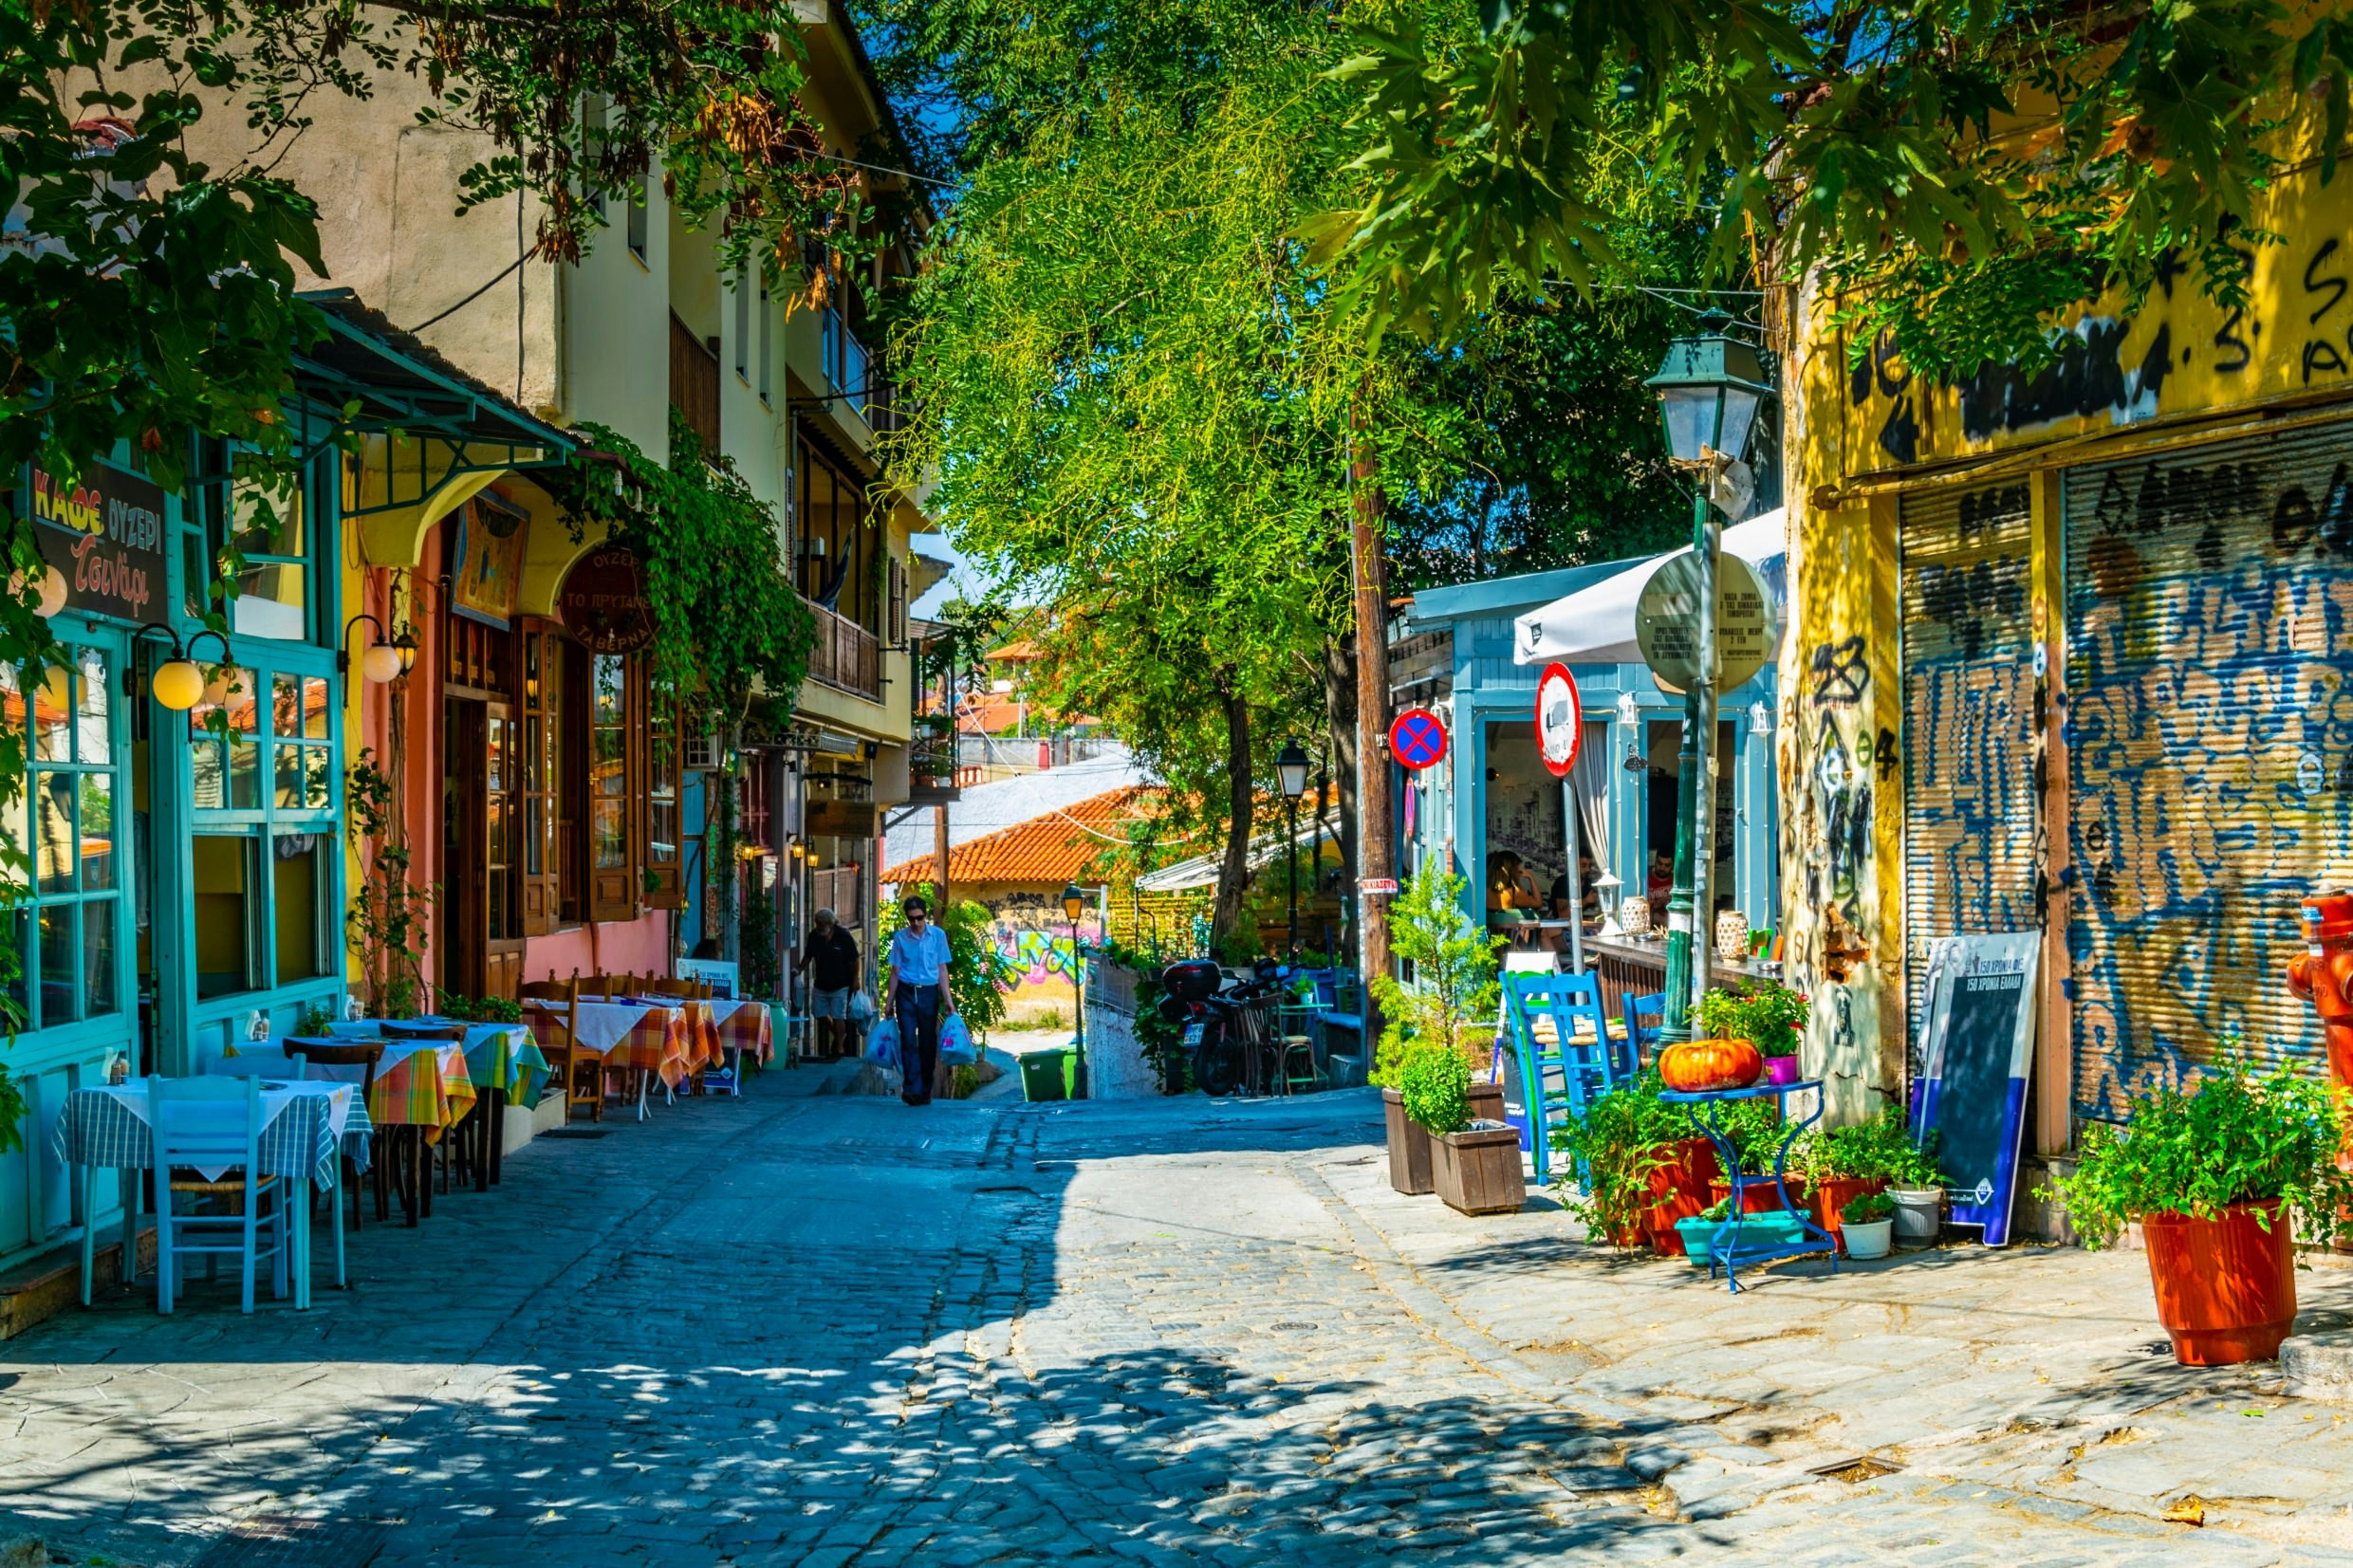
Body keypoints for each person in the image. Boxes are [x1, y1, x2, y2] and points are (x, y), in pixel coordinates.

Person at [884, 895, 957, 1106]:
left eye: (919, 918)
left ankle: (925, 1089)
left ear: (925, 915)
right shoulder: (900, 938)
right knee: (907, 1039)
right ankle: (911, 1087)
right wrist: (889, 1002)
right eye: (911, 919)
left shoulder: (937, 936)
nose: (915, 923)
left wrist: (948, 1000)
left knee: (927, 1041)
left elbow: (942, 969)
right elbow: (895, 971)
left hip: (928, 992)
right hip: (906, 992)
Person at [792, 907, 861, 1060]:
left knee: (838, 1015)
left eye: (821, 923)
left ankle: (839, 1049)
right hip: (821, 984)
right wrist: (799, 970)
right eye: (816, 923)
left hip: (841, 984)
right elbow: (808, 956)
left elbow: (855, 960)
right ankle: (839, 1035)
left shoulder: (843, 936)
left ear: (830, 923)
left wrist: (855, 980)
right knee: (818, 1013)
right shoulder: (814, 937)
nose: (818, 926)